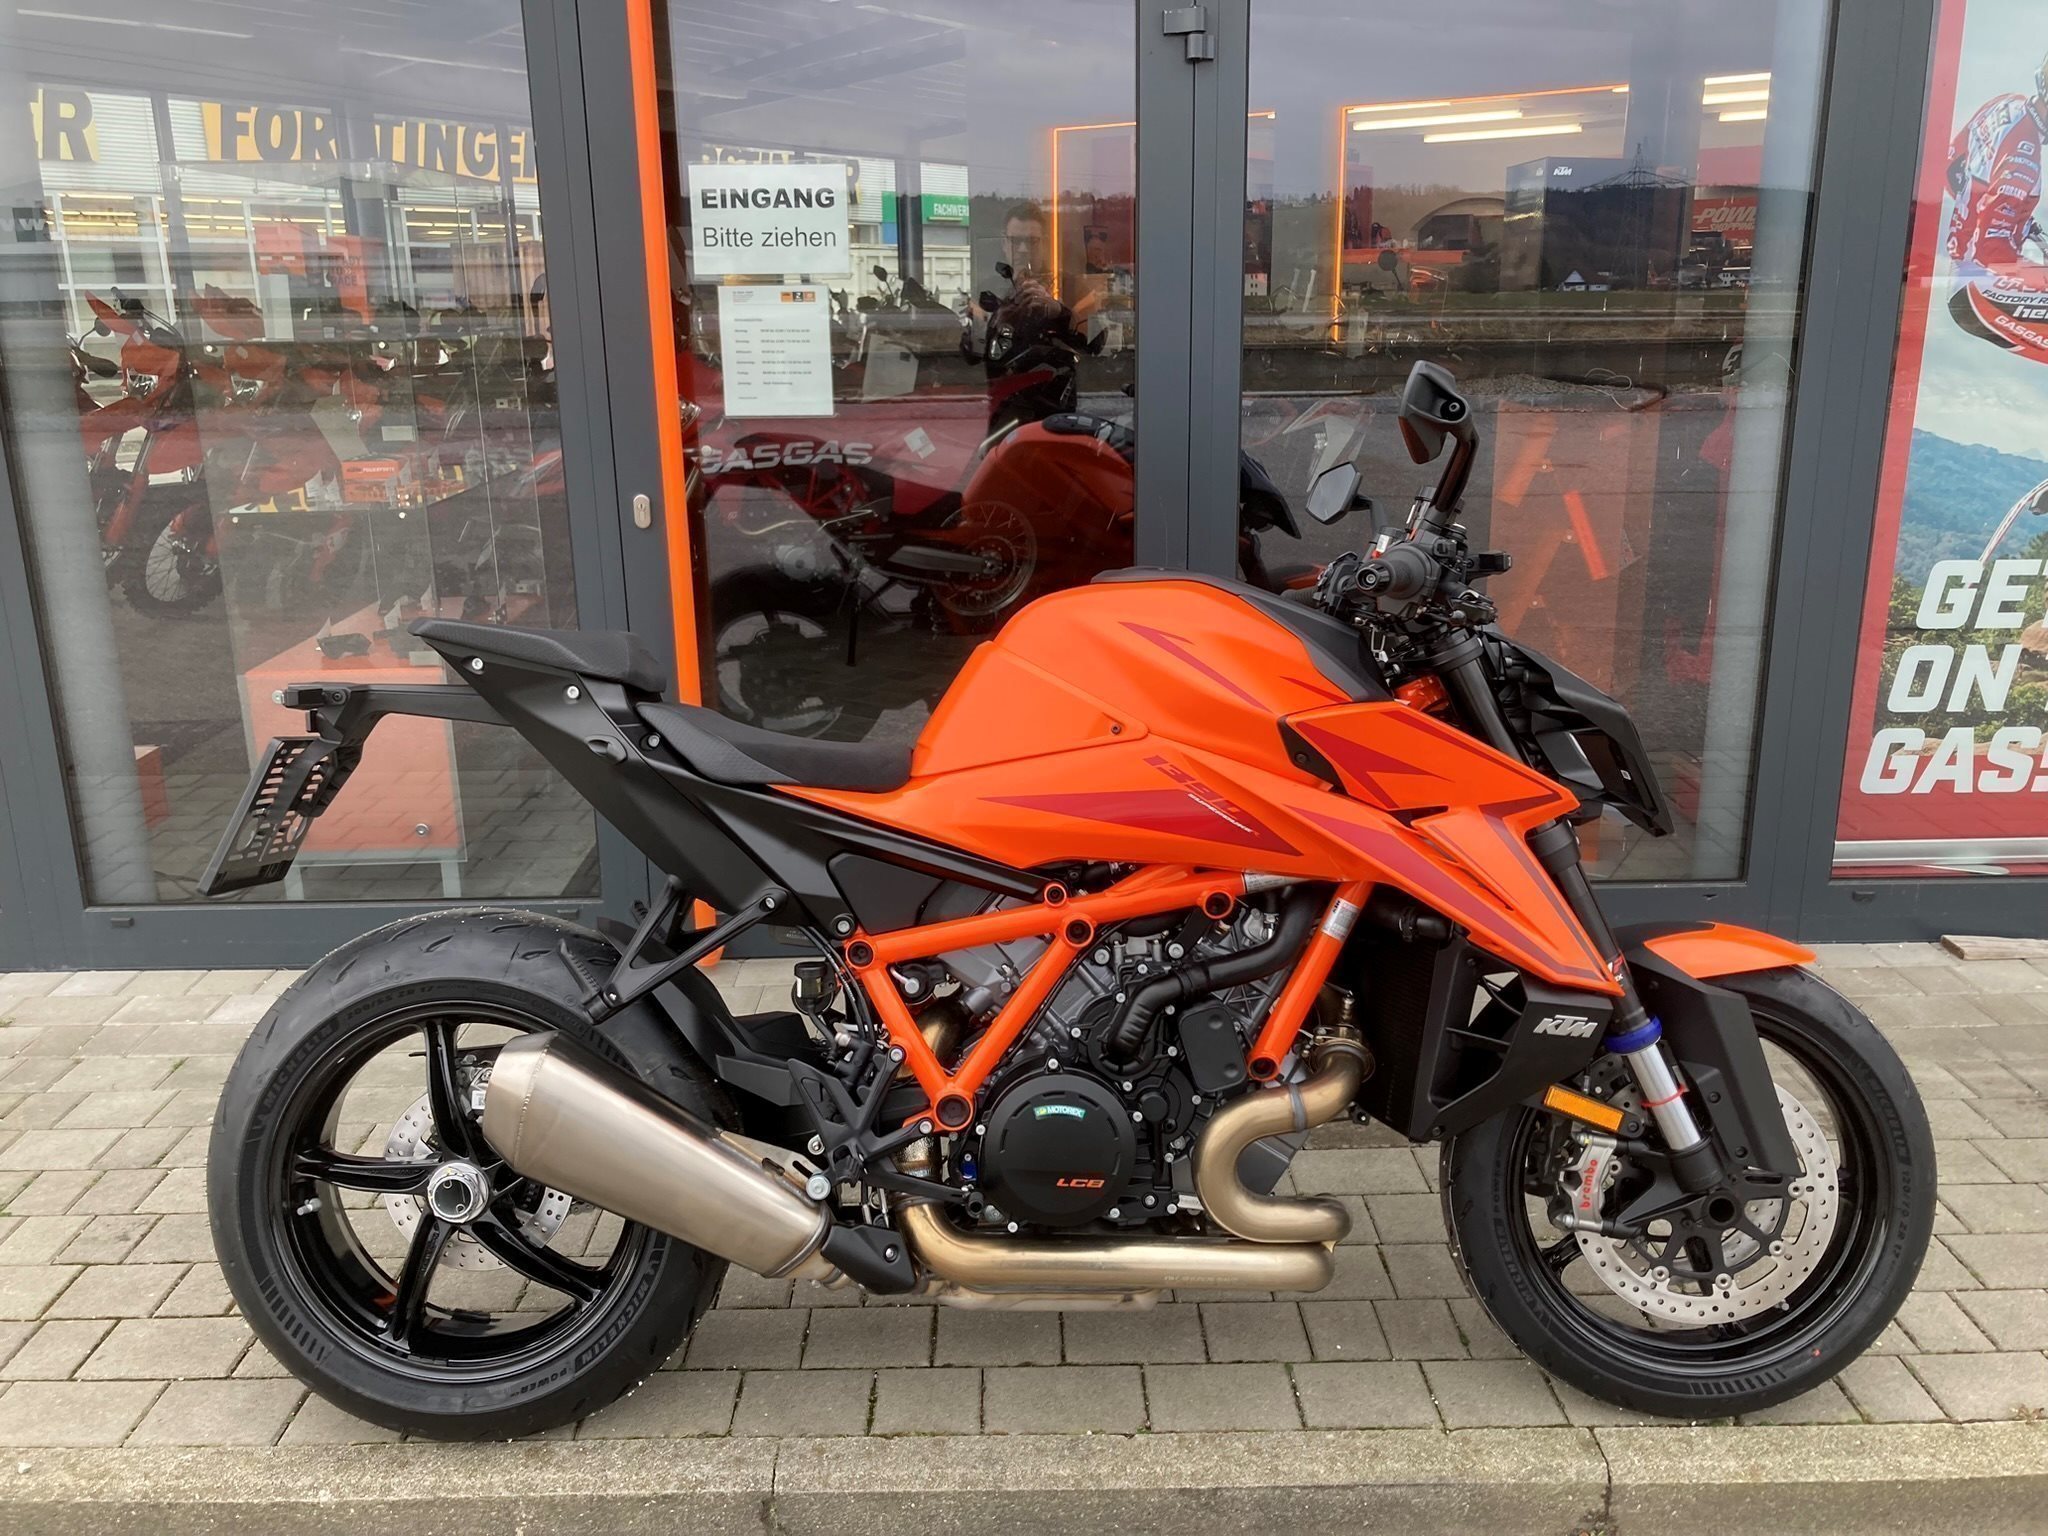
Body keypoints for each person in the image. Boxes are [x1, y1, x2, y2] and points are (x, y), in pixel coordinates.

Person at [1944, 53, 2048, 356]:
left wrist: (2022, 223)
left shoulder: (2006, 104)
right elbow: (1990, 250)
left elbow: (1952, 170)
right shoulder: (2024, 155)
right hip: (1983, 290)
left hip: (1966, 284)